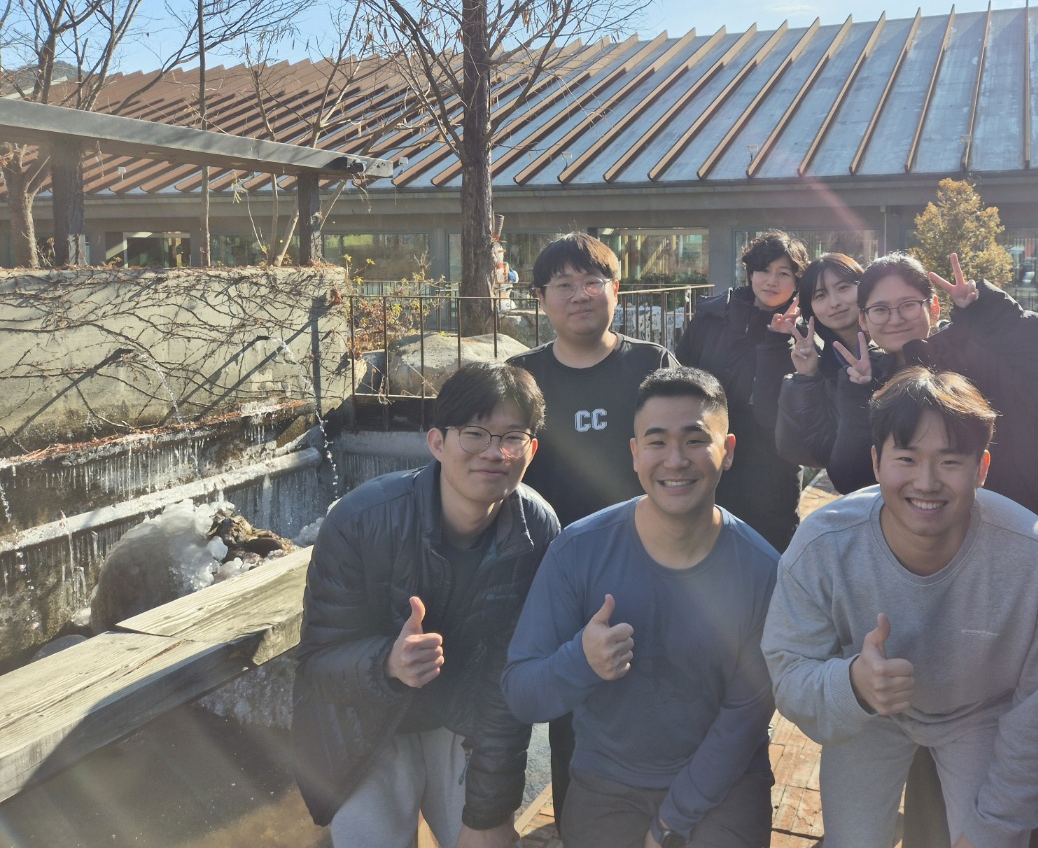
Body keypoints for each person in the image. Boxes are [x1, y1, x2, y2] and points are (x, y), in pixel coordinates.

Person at [762, 367, 1038, 848]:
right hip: (871, 715)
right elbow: (788, 670)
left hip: (981, 711)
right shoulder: (823, 545)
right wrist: (853, 684)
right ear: (876, 462)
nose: (927, 482)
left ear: (981, 468)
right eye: (907, 458)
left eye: (950, 461)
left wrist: (991, 831)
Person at [502, 367, 779, 848]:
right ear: (634, 454)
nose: (675, 460)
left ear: (728, 450)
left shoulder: (763, 571)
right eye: (657, 442)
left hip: (725, 784)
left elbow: (744, 720)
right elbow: (521, 693)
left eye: (695, 440)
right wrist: (580, 661)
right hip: (606, 783)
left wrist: (670, 825)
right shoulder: (578, 551)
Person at [292, 362, 559, 848]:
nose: (494, 452)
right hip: (363, 724)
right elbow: (315, 667)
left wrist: (490, 811)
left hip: (461, 722)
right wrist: (387, 662)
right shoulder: (360, 521)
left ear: (531, 450)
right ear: (437, 442)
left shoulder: (536, 529)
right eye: (474, 434)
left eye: (512, 437)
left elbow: (508, 677)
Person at [508, 231, 677, 809]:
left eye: (592, 282)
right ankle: (576, 820)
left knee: (658, 688)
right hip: (557, 570)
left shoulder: (651, 364)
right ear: (540, 298)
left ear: (616, 289)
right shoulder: (523, 375)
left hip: (649, 560)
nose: (579, 295)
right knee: (570, 705)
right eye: (563, 285)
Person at [784, 251, 1038, 540]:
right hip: (928, 551)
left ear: (933, 307)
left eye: (908, 305)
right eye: (880, 309)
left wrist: (992, 312)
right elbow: (852, 480)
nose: (895, 318)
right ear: (863, 320)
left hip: (1021, 533)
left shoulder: (978, 351)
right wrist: (858, 397)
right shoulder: (863, 380)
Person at [676, 230, 809, 551]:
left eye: (784, 273)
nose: (772, 281)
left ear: (797, 281)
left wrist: (781, 340)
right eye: (764, 270)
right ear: (750, 272)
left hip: (770, 466)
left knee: (768, 550)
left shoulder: (804, 333)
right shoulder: (712, 317)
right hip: (709, 453)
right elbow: (681, 376)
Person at [772, 252, 865, 469]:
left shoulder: (893, 343)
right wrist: (807, 377)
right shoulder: (822, 363)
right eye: (820, 295)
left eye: (843, 288)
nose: (835, 302)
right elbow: (806, 451)